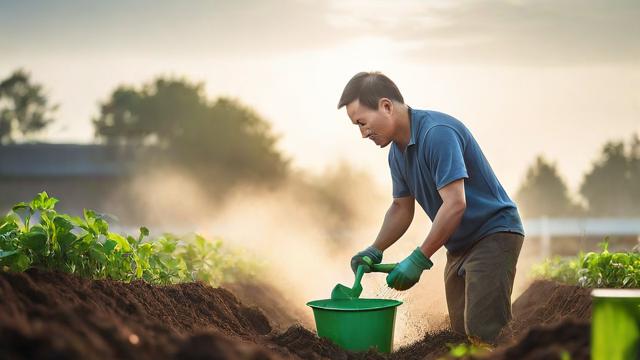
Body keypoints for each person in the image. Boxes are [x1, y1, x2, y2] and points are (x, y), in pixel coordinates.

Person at [338, 71, 525, 344]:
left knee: (483, 331)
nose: (363, 133)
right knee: (461, 336)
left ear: (386, 106)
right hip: (459, 245)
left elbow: (455, 203)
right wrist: (375, 248)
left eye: (362, 123)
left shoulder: (437, 134)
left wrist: (418, 258)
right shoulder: (397, 154)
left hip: (493, 234)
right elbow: (401, 207)